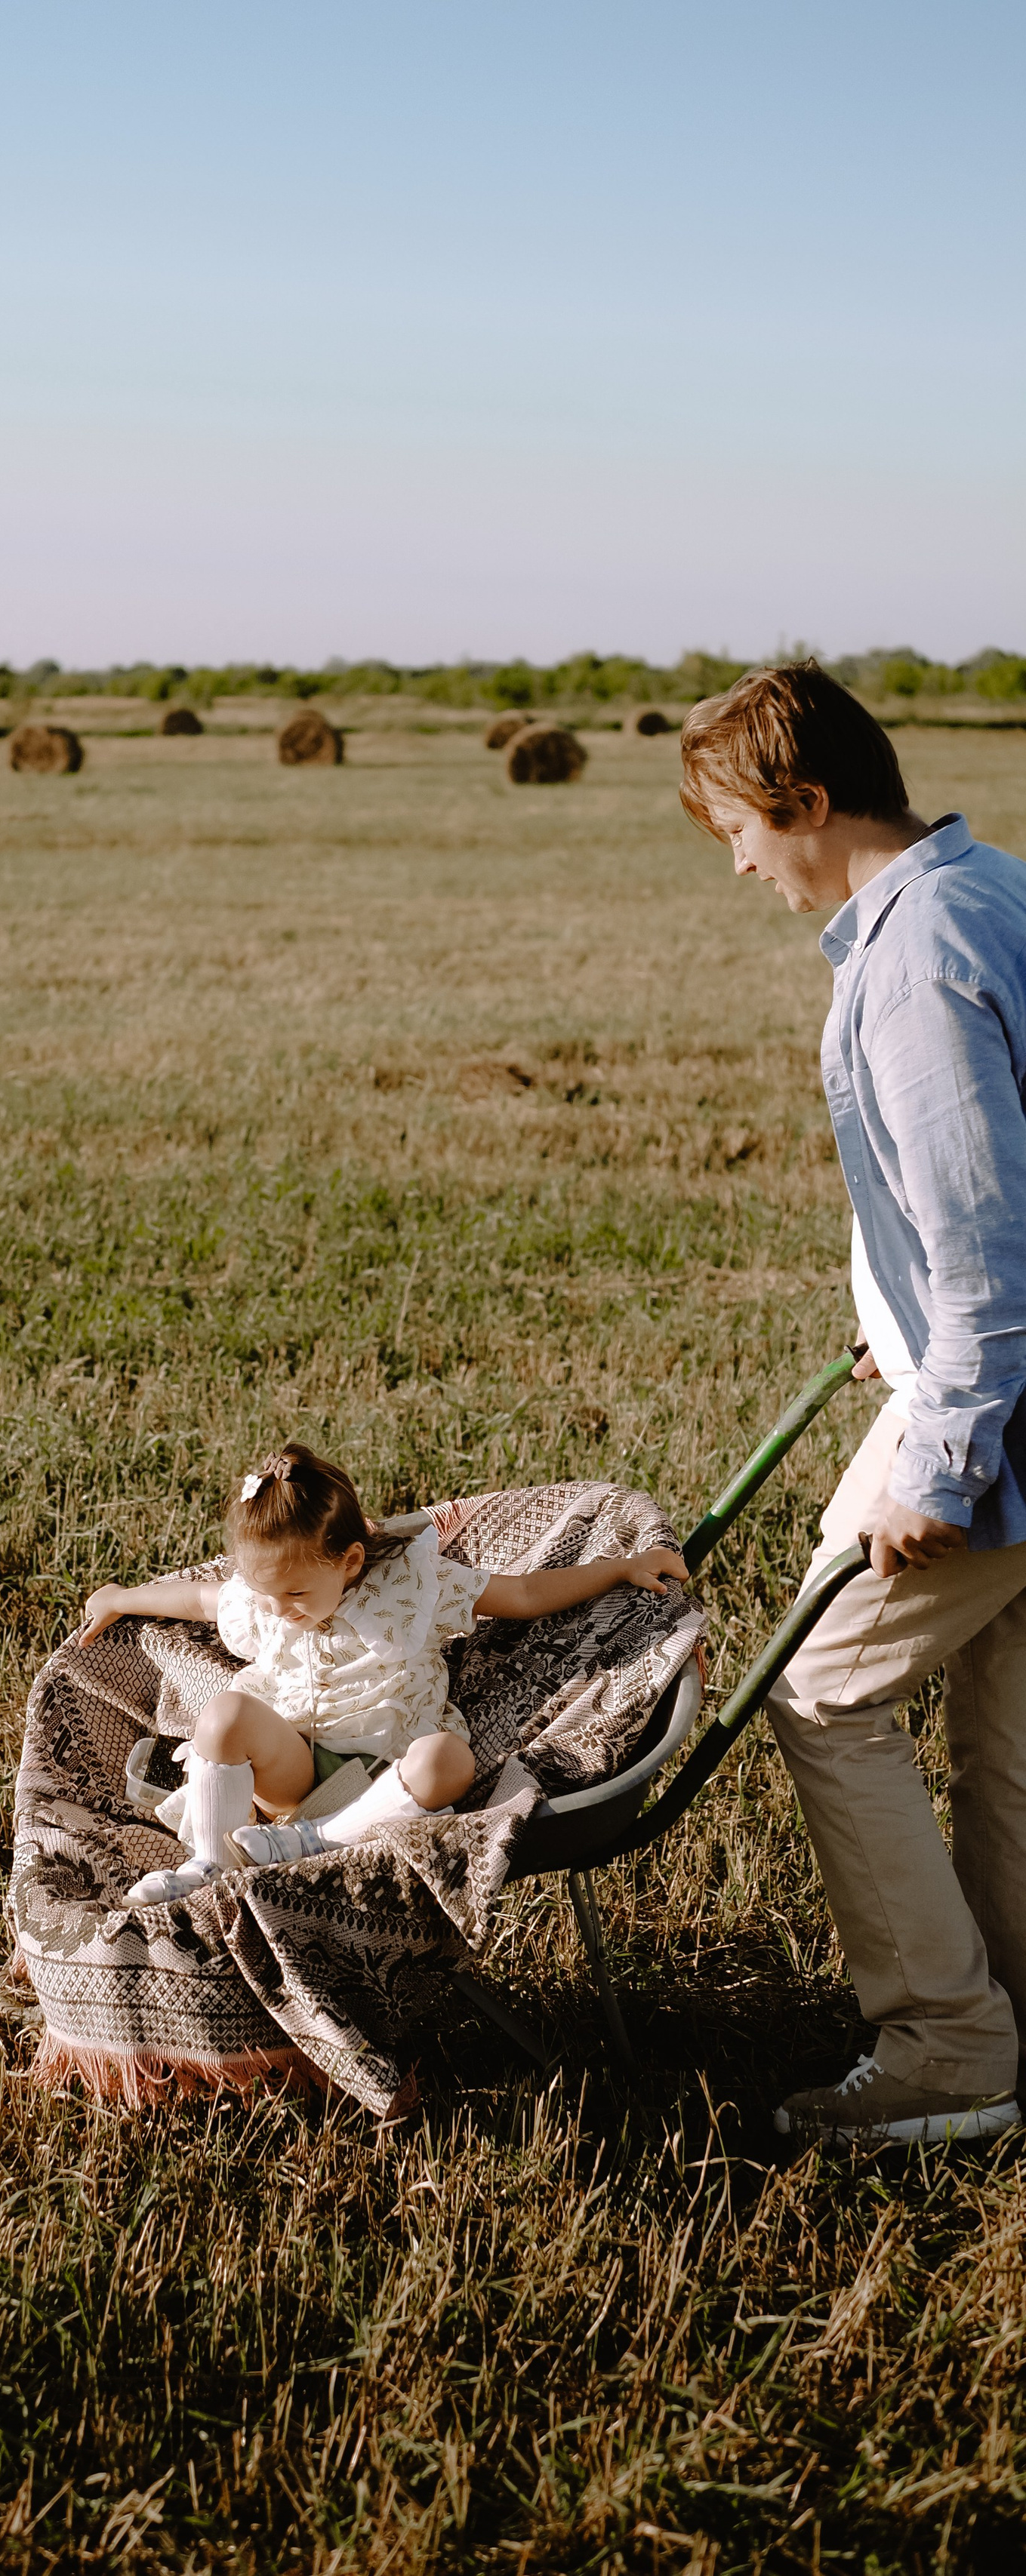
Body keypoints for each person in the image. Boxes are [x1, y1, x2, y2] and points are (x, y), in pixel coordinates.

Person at [684, 661, 1026, 2147]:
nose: (738, 862)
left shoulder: (914, 956)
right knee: (1009, 1719)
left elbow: (985, 1233)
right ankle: (1007, 2013)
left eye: (735, 829)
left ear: (803, 801)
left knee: (820, 1688)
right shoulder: (984, 887)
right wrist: (896, 1312)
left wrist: (940, 1459)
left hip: (995, 1408)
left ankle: (948, 2048)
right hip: (978, 1372)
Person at [79, 1442, 686, 1904]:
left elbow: (524, 1592)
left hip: (384, 1779)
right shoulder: (263, 1602)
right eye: (265, 1595)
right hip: (291, 1764)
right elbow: (202, 1601)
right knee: (226, 1714)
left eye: (293, 1592)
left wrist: (617, 1568)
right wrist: (123, 1596)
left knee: (449, 1758)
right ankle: (210, 1862)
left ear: (348, 1562)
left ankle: (319, 1843)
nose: (277, 1609)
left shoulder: (414, 1585)